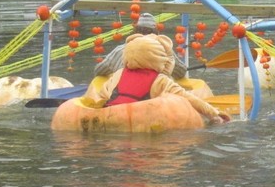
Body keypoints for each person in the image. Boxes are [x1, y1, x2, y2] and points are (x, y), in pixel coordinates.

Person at [94, 31, 228, 124]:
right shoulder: (160, 80)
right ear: (157, 57)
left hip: (109, 118)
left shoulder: (118, 74)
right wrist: (214, 113)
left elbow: (102, 96)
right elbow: (188, 97)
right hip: (141, 123)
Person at [94, 13, 177, 77]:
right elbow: (181, 71)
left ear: (135, 30)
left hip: (124, 91)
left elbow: (99, 70)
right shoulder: (165, 50)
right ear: (156, 32)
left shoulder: (120, 49)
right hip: (156, 92)